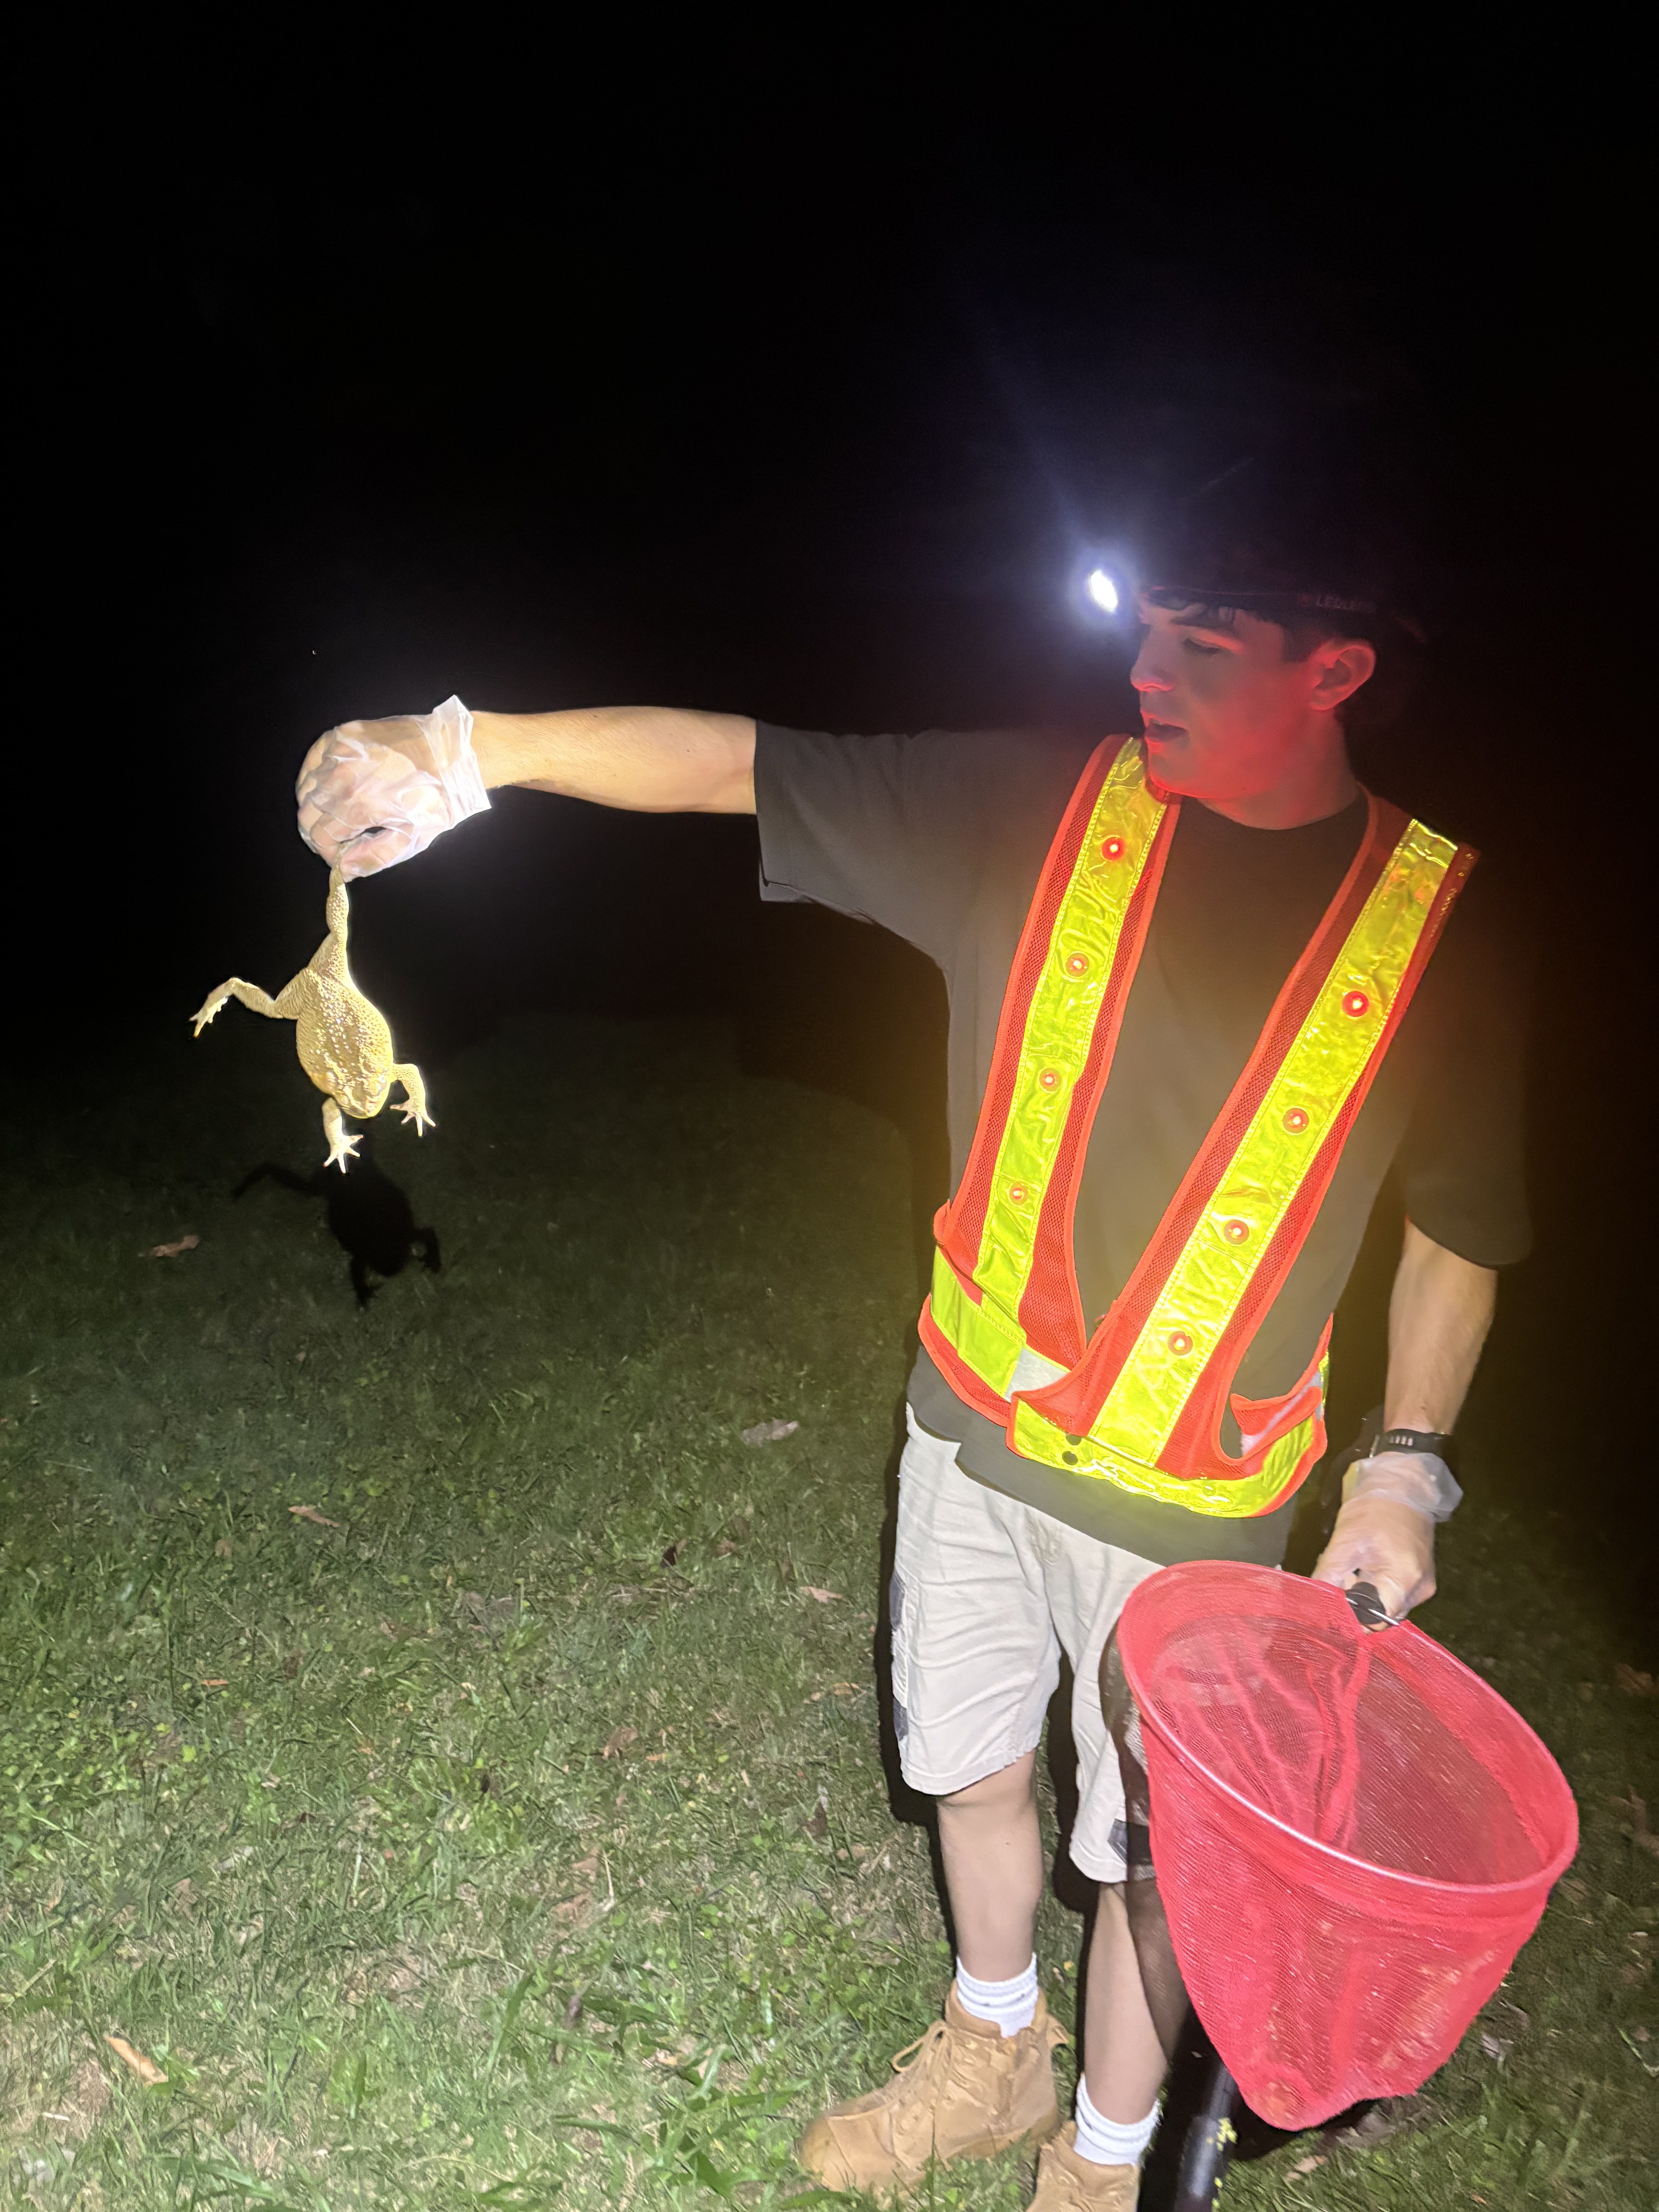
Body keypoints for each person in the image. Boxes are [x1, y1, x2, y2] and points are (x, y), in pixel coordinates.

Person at [293, 476, 1527, 2210]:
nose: (1149, 669)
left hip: (1197, 1506)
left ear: (1335, 669)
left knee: (1153, 1864)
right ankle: (989, 2045)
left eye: (1205, 642)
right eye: (1146, 628)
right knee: (965, 1762)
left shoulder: (1441, 925)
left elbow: (1463, 1225)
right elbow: (740, 763)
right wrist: (465, 750)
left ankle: (1104, 2156)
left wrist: (1402, 1470)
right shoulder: (1039, 806)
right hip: (966, 1423)